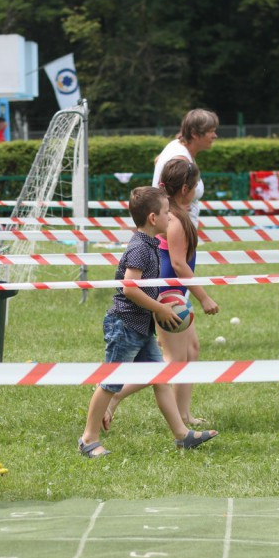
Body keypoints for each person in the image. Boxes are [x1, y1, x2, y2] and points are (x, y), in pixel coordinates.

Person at [77, 186, 218, 458]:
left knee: (161, 379)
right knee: (110, 382)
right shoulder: (141, 247)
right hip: (125, 325)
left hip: (142, 328)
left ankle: (181, 435)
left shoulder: (150, 244)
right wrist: (160, 310)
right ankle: (88, 439)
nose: (170, 217)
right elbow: (129, 288)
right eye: (167, 213)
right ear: (153, 218)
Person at [105, 159, 219, 428]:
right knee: (170, 361)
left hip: (176, 294)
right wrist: (204, 297)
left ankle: (184, 414)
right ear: (184, 189)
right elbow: (178, 264)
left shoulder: (177, 214)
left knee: (191, 350)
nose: (197, 190)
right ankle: (113, 396)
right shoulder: (175, 220)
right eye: (195, 185)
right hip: (167, 297)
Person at [151, 109, 219, 225]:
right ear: (195, 134)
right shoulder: (180, 159)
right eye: (211, 131)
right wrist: (176, 209)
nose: (215, 136)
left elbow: (157, 161)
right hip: (176, 228)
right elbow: (165, 191)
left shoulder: (176, 145)